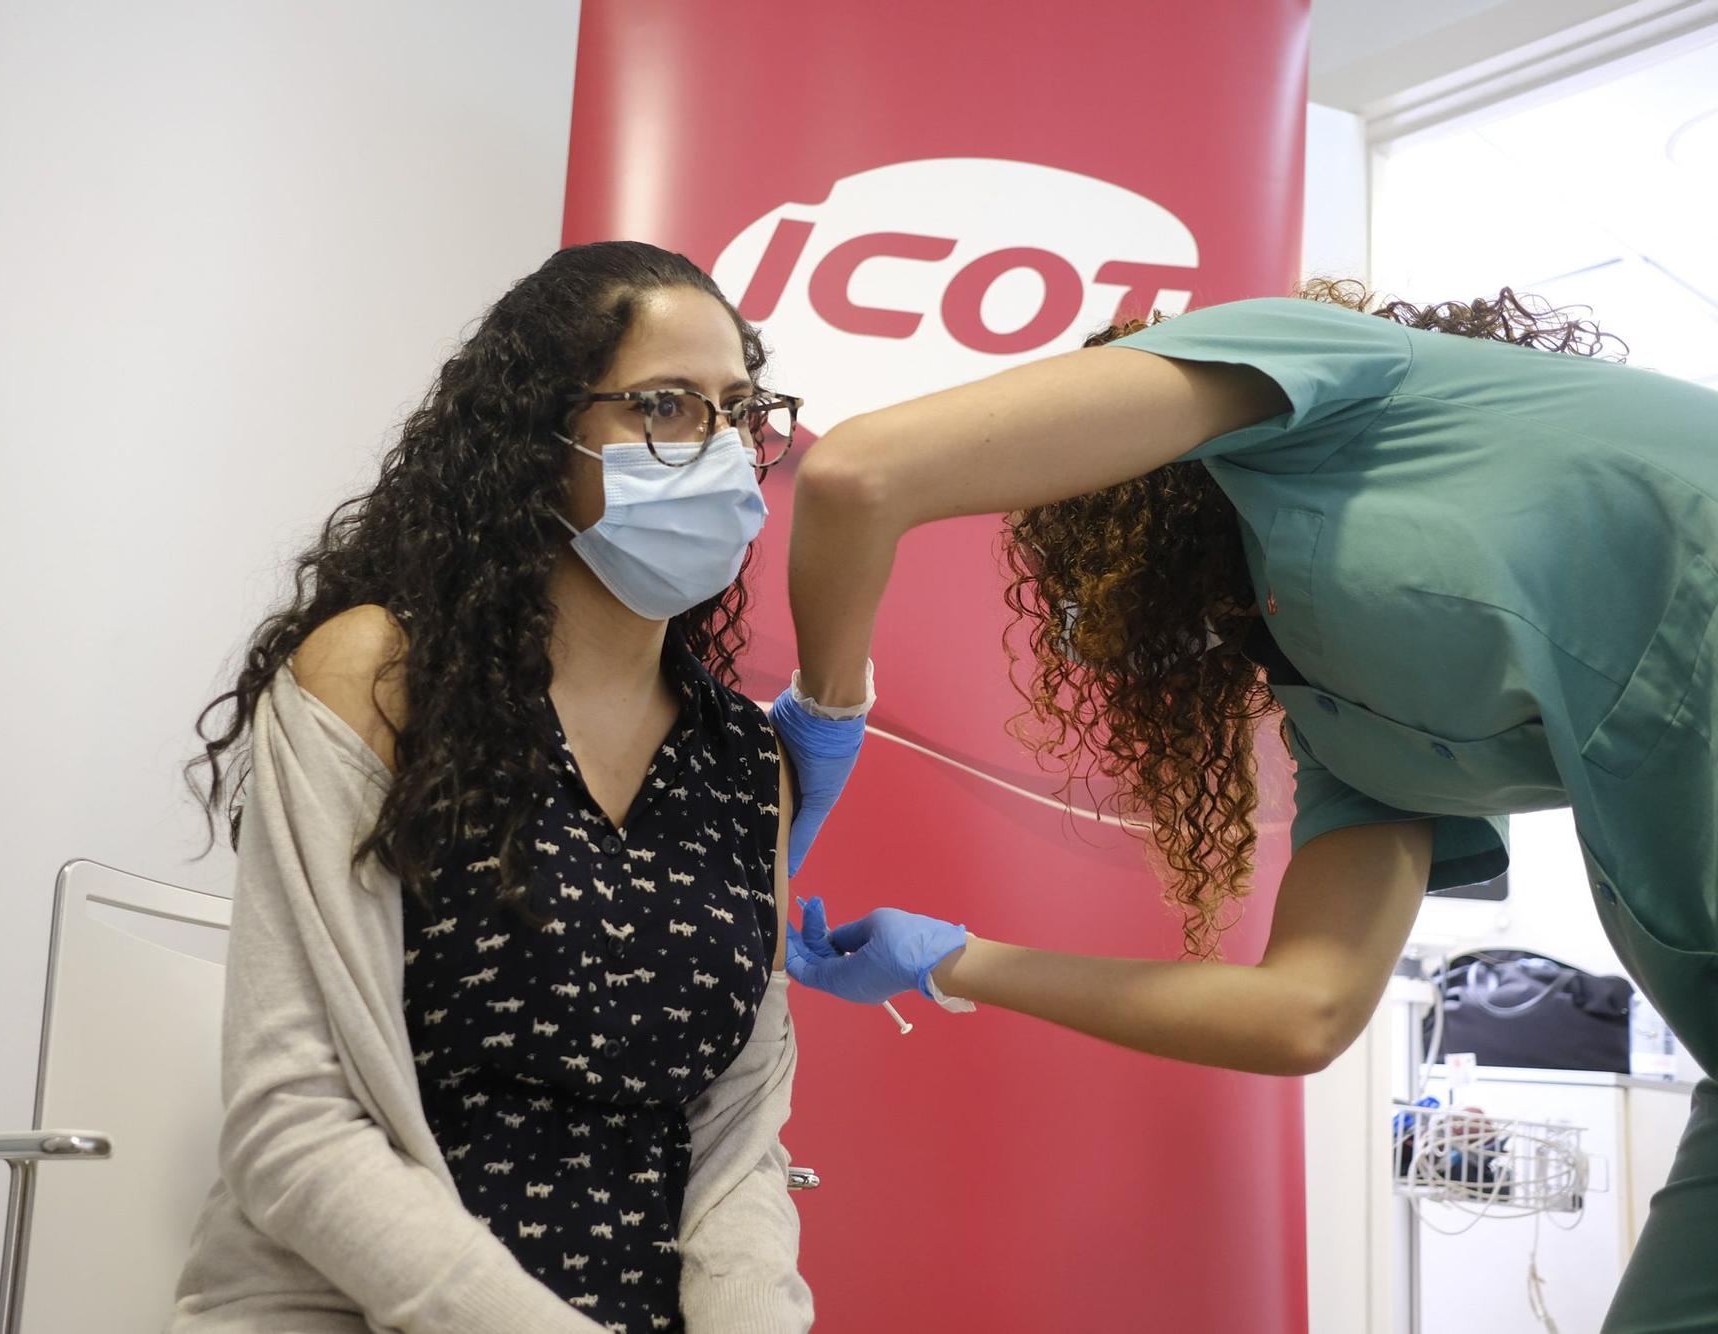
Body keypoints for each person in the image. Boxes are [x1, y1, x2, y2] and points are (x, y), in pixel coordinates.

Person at [775, 279, 1718, 1332]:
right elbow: (1302, 1009)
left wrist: (823, 719)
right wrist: (952, 959)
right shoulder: (1349, 732)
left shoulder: (1339, 373)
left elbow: (859, 473)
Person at [170, 241, 814, 1333]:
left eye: (738, 411)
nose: (714, 450)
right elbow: (292, 1125)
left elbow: (738, 1137)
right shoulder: (375, 679)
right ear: (538, 439)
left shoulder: (744, 763)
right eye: (662, 405)